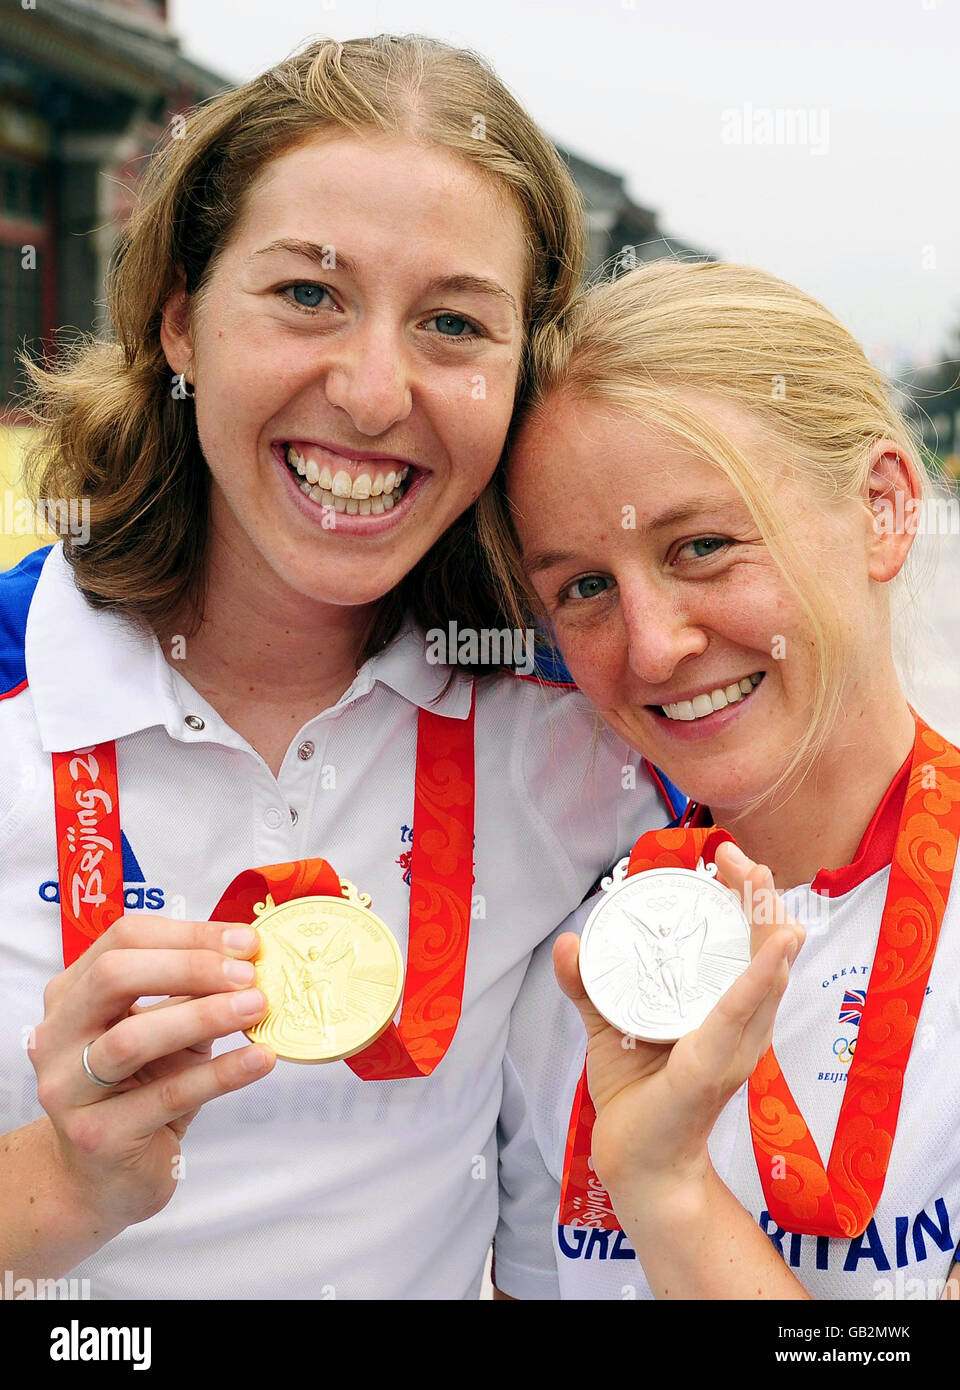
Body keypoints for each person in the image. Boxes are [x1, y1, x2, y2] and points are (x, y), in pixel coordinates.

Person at [0, 36, 672, 1300]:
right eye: (308, 294)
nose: (372, 393)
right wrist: (62, 1185)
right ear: (182, 317)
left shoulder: (584, 729)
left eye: (454, 324)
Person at [487, 259, 960, 1299]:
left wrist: (668, 1192)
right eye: (585, 587)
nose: (651, 648)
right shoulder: (563, 966)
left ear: (883, 509)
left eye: (702, 545)